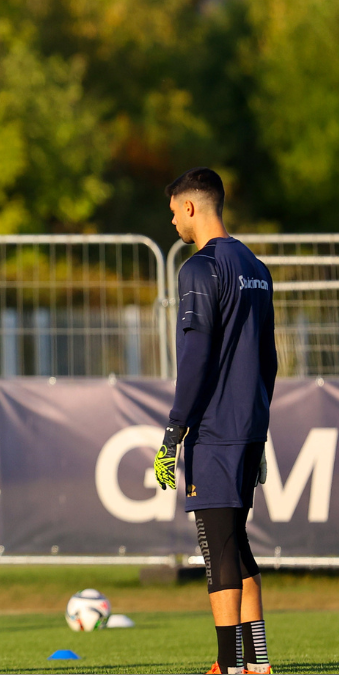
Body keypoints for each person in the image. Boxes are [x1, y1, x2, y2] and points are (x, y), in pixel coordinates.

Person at [153, 167, 276, 675]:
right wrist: (261, 427)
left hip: (215, 429)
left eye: (173, 213)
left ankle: (227, 666)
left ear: (190, 208)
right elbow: (268, 357)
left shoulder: (199, 269)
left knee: (218, 545)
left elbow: (197, 354)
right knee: (238, 542)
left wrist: (173, 431)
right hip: (248, 425)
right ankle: (259, 663)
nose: (173, 225)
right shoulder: (256, 266)